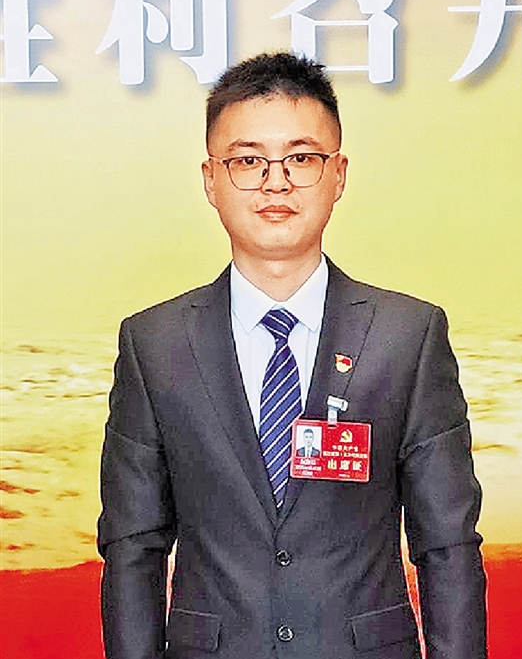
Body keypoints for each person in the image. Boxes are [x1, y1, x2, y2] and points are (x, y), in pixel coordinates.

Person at [98, 52, 487, 659]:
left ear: (338, 175)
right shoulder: (155, 344)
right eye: (248, 160)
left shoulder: (407, 336)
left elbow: (448, 546)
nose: (275, 183)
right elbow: (132, 547)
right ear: (211, 179)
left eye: (302, 159)